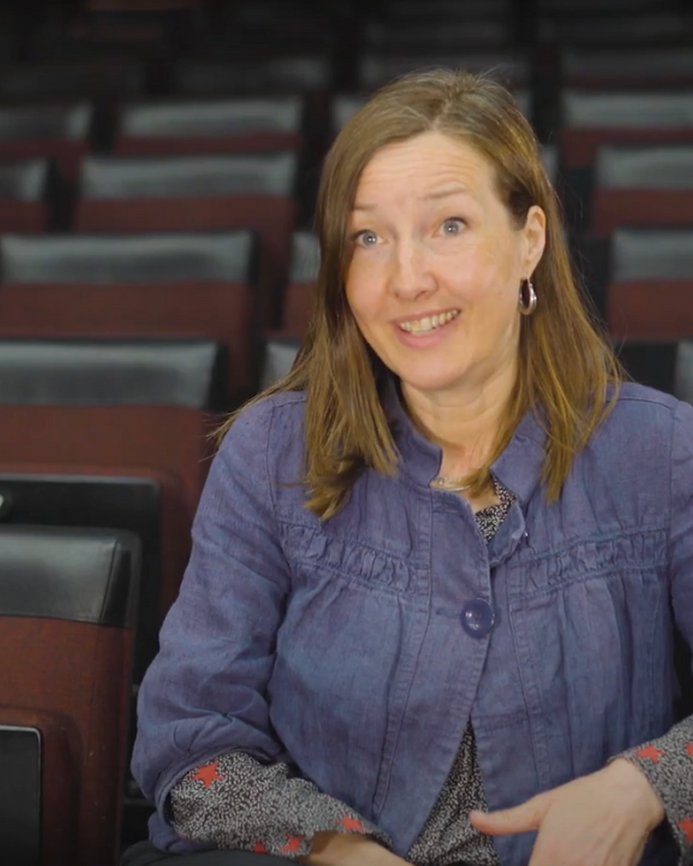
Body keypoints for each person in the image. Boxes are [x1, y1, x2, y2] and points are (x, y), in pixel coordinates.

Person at [126, 69, 693, 866]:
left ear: (528, 240)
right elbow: (188, 744)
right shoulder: (268, 453)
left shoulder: (661, 451)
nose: (405, 279)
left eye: (448, 225)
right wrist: (337, 849)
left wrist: (644, 785)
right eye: (368, 238)